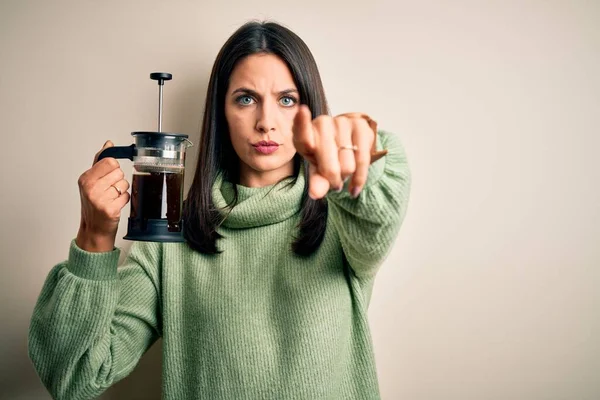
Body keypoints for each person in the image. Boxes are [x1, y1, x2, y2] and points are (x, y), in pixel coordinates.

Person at [28, 20, 411, 400]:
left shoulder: (344, 218)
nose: (266, 123)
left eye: (287, 100)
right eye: (246, 99)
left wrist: (362, 156)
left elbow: (378, 205)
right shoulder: (170, 237)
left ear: (310, 112)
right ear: (221, 113)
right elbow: (76, 378)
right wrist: (93, 237)